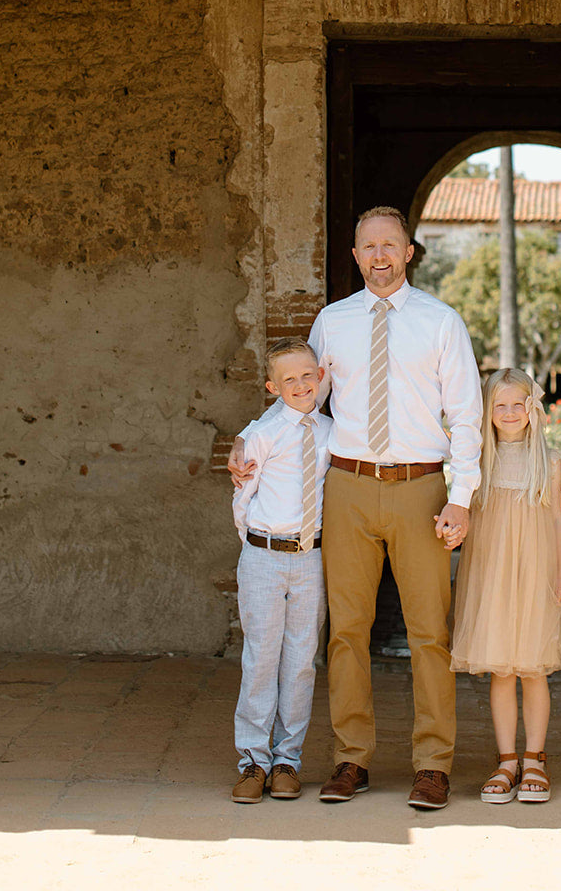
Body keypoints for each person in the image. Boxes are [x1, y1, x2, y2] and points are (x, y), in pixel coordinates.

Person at [229, 205, 482, 811]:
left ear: (409, 251)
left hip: (420, 488)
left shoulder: (441, 322)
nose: (379, 256)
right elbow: (301, 400)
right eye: (368, 246)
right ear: (355, 254)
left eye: (390, 245)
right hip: (345, 488)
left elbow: (468, 417)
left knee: (429, 633)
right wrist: (248, 439)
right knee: (346, 631)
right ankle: (351, 758)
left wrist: (461, 498)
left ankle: (432, 764)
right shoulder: (332, 322)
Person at [449, 367, 561, 804]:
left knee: (533, 667)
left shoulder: (549, 459)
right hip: (493, 572)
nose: (508, 412)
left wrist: (559, 574)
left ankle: (535, 758)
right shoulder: (478, 462)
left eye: (517, 404)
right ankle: (506, 761)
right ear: (487, 411)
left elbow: (556, 518)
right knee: (501, 668)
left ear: (531, 409)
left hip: (536, 569)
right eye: (498, 405)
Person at [230, 338, 332, 803]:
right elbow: (242, 499)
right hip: (264, 556)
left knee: (301, 663)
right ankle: (253, 760)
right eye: (288, 379)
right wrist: (257, 546)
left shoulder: (333, 432)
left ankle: (288, 758)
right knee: (261, 660)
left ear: (321, 376)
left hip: (310, 558)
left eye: (307, 375)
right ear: (273, 386)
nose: (300, 385)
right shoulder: (263, 433)